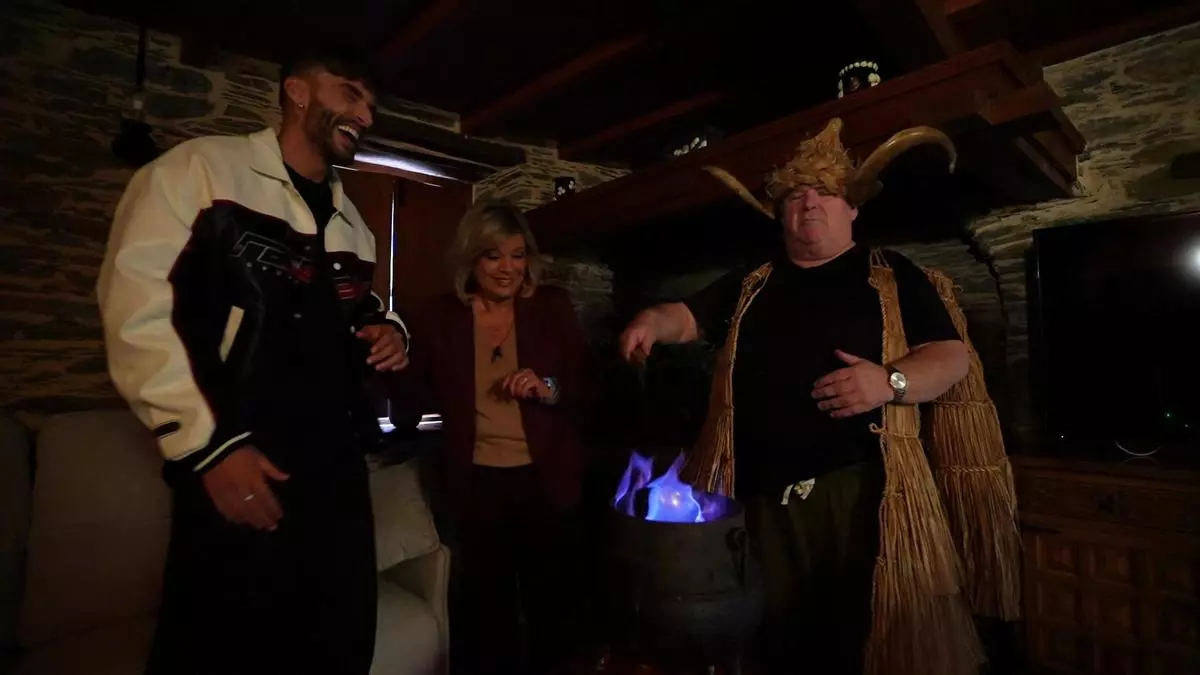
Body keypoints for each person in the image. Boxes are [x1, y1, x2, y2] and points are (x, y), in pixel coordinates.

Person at [619, 119, 1020, 675]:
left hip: (857, 491)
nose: (809, 203)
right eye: (795, 195)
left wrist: (890, 381)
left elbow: (950, 357)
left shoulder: (893, 274)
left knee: (856, 632)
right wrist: (650, 322)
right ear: (779, 213)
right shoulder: (751, 281)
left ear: (853, 208)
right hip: (761, 494)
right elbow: (683, 317)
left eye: (825, 192)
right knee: (780, 636)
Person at [97, 46, 409, 675]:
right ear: (297, 91)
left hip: (337, 471)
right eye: (350, 94)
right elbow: (136, 308)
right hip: (240, 456)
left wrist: (390, 330)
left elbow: (361, 308)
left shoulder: (354, 223)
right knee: (224, 643)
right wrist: (208, 448)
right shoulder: (199, 172)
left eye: (371, 106)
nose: (365, 116)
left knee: (338, 638)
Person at [386, 200, 588, 675]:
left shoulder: (551, 307)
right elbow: (409, 399)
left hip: (545, 482)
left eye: (518, 255)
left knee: (552, 609)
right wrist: (388, 356)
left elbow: (585, 383)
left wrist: (548, 386)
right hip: (475, 487)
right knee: (484, 612)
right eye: (493, 256)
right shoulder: (438, 317)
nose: (508, 269)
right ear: (471, 259)